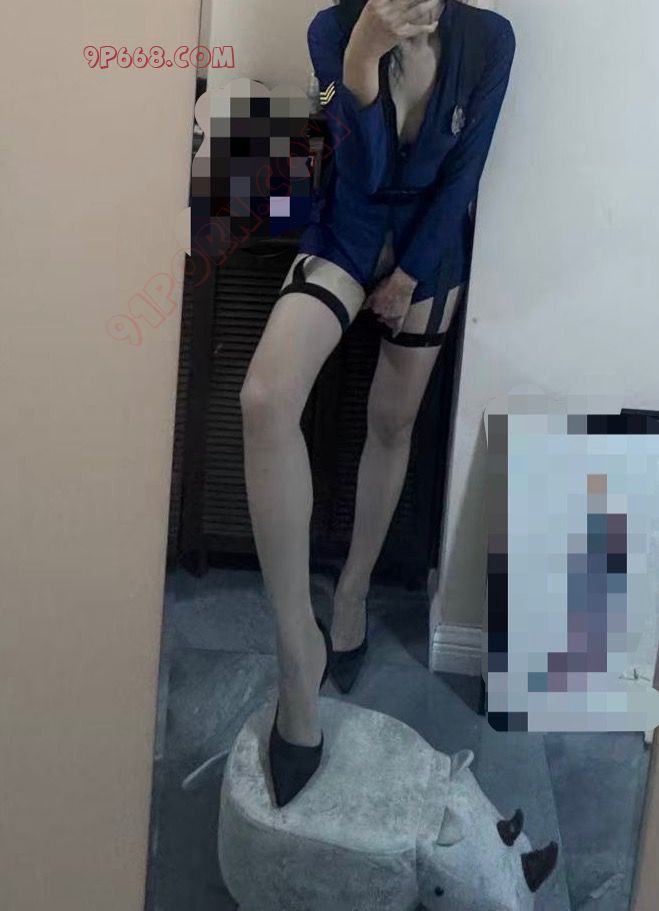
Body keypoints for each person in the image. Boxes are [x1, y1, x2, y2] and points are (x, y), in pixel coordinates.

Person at [239, 0, 516, 807]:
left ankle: (353, 590)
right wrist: (362, 63)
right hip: (348, 230)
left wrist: (412, 272)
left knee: (391, 425)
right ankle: (298, 647)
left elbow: (464, 173)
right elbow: (356, 173)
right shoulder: (331, 30)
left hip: (431, 247)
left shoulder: (488, 38)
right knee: (265, 398)